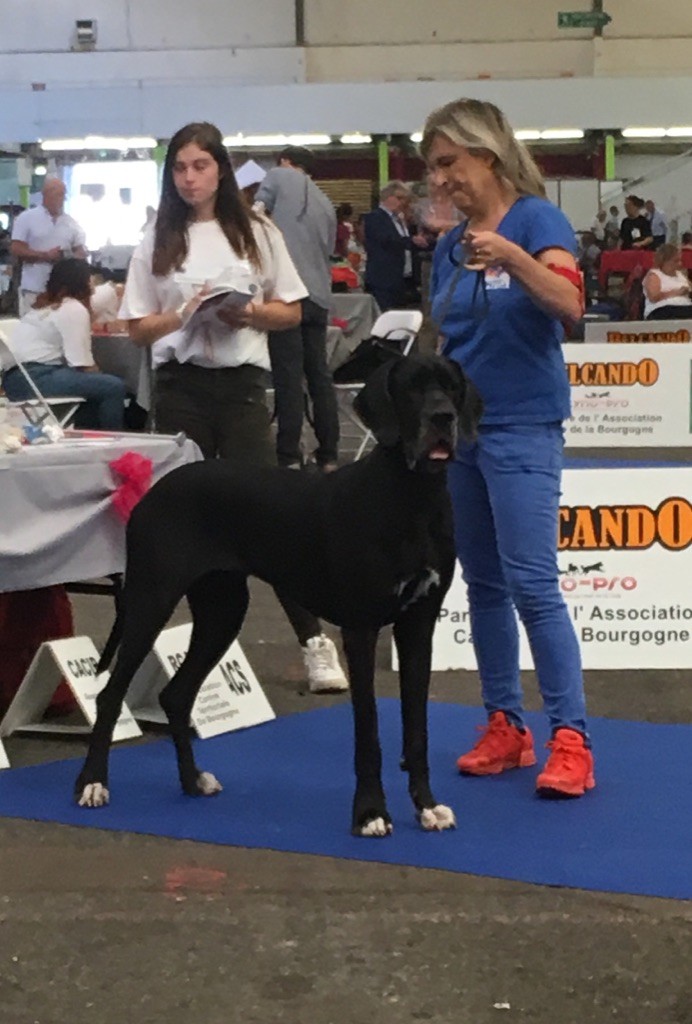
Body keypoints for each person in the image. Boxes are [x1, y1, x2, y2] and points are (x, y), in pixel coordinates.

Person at [119, 122, 347, 692]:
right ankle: (159, 654)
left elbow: (291, 310)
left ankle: (316, 644)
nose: (190, 177)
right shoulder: (156, 238)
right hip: (179, 390)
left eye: (200, 166)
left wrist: (248, 315)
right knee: (178, 527)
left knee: (274, 519)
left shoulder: (257, 231)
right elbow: (136, 329)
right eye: (179, 168)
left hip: (242, 388)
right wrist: (183, 315)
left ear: (220, 169)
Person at [421, 97, 595, 799]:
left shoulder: (536, 221)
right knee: (484, 585)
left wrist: (514, 258)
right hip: (461, 434)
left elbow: (569, 304)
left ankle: (571, 736)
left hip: (523, 424)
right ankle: (505, 724)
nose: (438, 182)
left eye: (447, 165)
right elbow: (445, 333)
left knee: (533, 584)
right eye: (432, 170)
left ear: (485, 155)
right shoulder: (446, 246)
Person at [254, 146, 340, 471]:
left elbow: (255, 216)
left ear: (285, 163)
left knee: (288, 376)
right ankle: (329, 453)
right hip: (319, 296)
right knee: (319, 376)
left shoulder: (278, 176)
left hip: (289, 295)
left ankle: (289, 455)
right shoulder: (326, 202)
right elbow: (329, 250)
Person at [1, 258, 126, 430]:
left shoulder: (42, 307)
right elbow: (82, 364)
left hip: (14, 381)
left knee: (95, 388)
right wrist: (103, 375)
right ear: (83, 282)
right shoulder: (73, 308)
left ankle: (90, 436)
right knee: (114, 386)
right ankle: (114, 442)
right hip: (38, 378)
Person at [10, 178, 87, 315]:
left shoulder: (71, 223)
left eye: (64, 194)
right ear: (46, 194)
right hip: (34, 288)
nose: (62, 198)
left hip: (62, 292)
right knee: (32, 329)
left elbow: (80, 251)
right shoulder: (26, 218)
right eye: (59, 194)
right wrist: (45, 255)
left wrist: (69, 256)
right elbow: (16, 248)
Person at [363, 181, 427, 311]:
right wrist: (411, 241)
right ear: (388, 197)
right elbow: (387, 240)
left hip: (402, 277)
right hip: (383, 278)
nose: (402, 202)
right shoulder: (375, 217)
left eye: (405, 199)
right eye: (399, 198)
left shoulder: (400, 220)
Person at [642, 243, 692, 320]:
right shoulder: (655, 275)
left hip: (685, 306)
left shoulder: (681, 275)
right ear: (665, 261)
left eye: (680, 260)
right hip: (662, 309)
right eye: (675, 261)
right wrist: (676, 292)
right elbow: (653, 297)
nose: (679, 264)